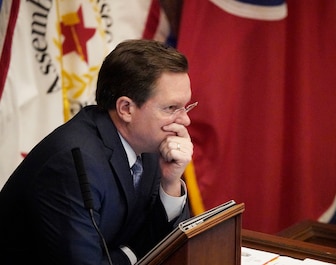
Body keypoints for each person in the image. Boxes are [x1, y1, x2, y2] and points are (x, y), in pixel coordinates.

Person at [0, 39, 197, 265]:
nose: (185, 120)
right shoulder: (73, 163)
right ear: (126, 109)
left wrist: (170, 183)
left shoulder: (150, 145)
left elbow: (172, 243)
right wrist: (135, 251)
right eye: (171, 108)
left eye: (187, 106)